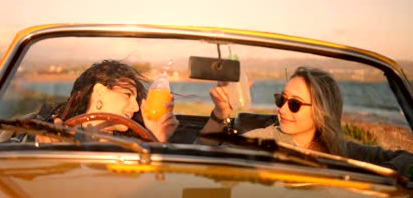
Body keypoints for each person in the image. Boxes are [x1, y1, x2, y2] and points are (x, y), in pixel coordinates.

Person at [200, 66, 413, 177]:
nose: (281, 108)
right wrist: (221, 112)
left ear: (321, 112)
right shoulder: (263, 142)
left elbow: (406, 159)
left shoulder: (340, 149)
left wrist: (371, 179)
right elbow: (202, 163)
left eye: (294, 104)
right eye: (281, 99)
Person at [34, 60, 179, 143]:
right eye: (127, 95)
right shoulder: (60, 132)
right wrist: (46, 143)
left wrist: (157, 139)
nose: (135, 107)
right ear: (100, 92)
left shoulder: (135, 145)